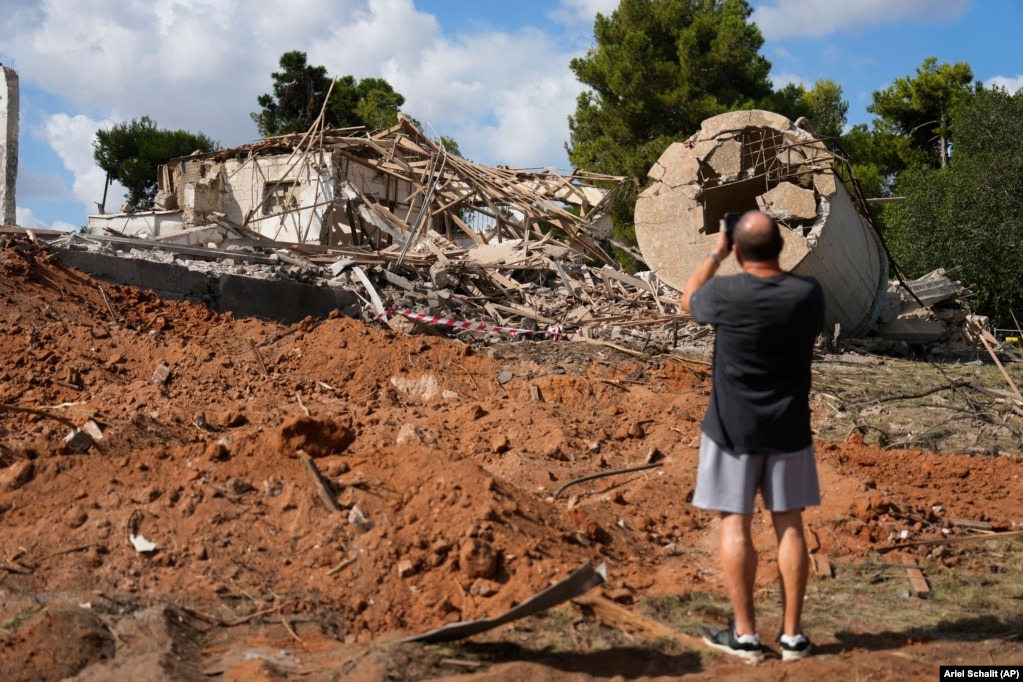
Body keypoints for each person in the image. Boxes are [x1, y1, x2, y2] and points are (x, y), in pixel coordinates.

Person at [679, 210, 824, 663]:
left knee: (735, 524)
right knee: (789, 525)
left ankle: (744, 636)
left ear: (737, 249)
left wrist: (716, 253)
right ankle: (793, 638)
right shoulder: (807, 294)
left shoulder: (723, 292)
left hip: (729, 430)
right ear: (781, 248)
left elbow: (689, 300)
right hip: (789, 429)